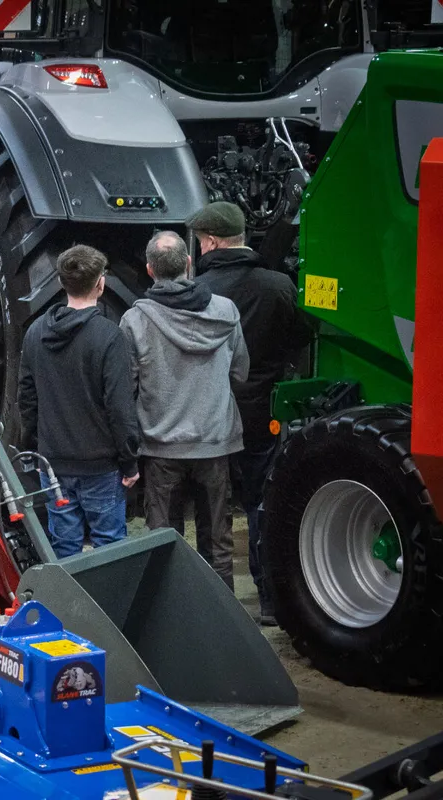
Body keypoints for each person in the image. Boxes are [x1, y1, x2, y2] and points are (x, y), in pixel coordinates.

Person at [190, 201, 312, 623]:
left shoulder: (198, 291)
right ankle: (269, 601)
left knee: (213, 508)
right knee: (261, 503)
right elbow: (300, 336)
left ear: (210, 241)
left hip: (210, 414)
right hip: (262, 411)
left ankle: (213, 603)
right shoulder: (278, 285)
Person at [120, 231, 249, 589]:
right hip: (215, 442)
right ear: (189, 264)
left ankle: (168, 623)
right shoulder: (225, 312)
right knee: (218, 545)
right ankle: (223, 626)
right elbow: (241, 371)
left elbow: (126, 388)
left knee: (163, 544)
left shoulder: (135, 321)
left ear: (149, 270)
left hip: (161, 449)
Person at [18, 245, 141, 557]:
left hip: (54, 465)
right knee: (109, 551)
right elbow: (119, 406)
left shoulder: (35, 333)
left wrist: (38, 447)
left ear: (62, 283)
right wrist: (129, 462)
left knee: (63, 550)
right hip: (101, 468)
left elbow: (27, 399)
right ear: (100, 284)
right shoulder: (109, 336)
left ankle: (66, 608)